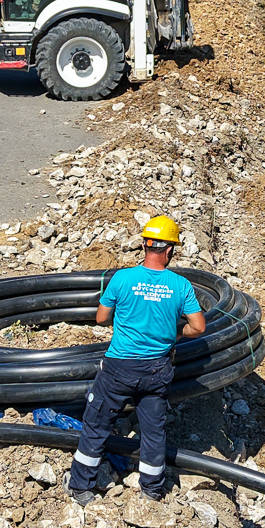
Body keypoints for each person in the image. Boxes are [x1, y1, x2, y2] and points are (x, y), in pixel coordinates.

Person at [68, 215, 205, 504]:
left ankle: (82, 488)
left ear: (145, 245)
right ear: (169, 250)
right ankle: (152, 490)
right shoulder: (180, 285)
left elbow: (102, 318)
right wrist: (175, 333)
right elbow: (199, 327)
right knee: (154, 431)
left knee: (96, 425)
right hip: (157, 369)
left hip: (119, 368)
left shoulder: (122, 278)